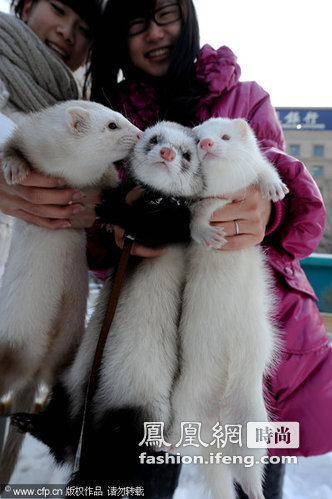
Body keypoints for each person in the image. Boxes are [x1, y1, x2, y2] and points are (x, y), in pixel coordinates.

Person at [84, 0, 332, 497]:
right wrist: (116, 228)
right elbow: (96, 245)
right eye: (136, 21)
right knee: (135, 482)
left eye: (166, 14)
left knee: (249, 477)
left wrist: (265, 209)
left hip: (243, 326)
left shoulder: (244, 98)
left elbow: (282, 201)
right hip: (150, 342)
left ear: (188, 16)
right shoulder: (112, 124)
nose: (154, 33)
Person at [0, 0, 103, 276]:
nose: (67, 32)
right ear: (26, 6)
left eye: (83, 30)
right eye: (58, 9)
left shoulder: (85, 120)